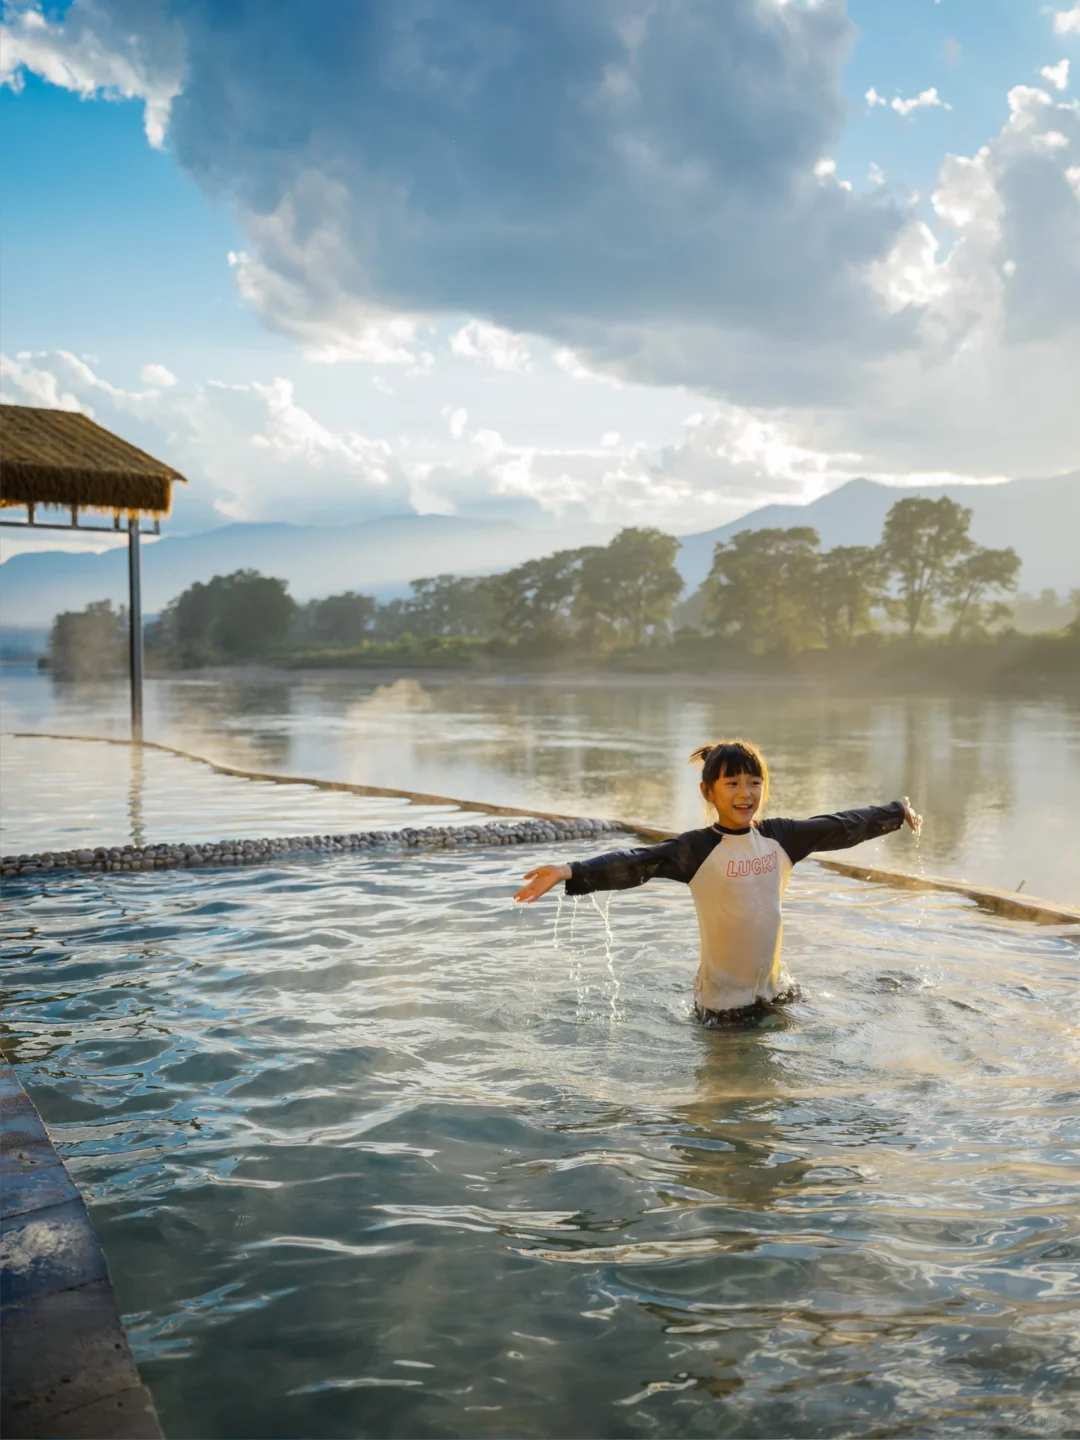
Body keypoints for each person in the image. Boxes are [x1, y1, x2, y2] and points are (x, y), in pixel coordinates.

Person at [514, 738, 922, 1026]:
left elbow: (839, 826)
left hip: (776, 994)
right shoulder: (697, 849)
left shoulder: (780, 837)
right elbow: (638, 862)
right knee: (726, 1095)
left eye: (754, 783)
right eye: (732, 784)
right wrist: (571, 870)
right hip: (721, 1009)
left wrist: (895, 811)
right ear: (708, 792)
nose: (745, 794)